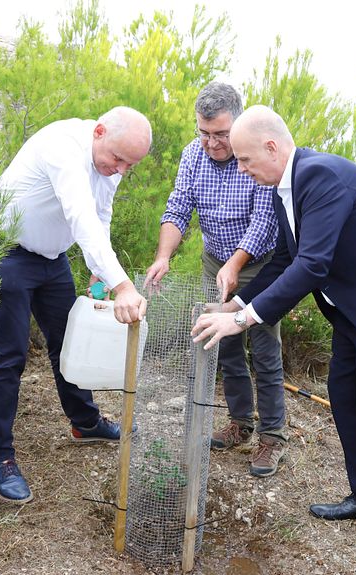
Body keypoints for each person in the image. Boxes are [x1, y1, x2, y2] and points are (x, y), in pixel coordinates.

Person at [191, 105, 356, 568]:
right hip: (352, 304)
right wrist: (235, 305)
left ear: (272, 147)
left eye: (243, 159)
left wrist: (243, 322)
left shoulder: (319, 176)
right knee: (343, 395)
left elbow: (312, 264)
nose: (239, 168)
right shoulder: (283, 186)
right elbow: (286, 257)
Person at [0, 107, 152, 504]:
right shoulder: (63, 147)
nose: (121, 170)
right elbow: (80, 216)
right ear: (98, 132)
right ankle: (0, 457)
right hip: (6, 251)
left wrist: (100, 270)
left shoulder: (109, 163)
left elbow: (101, 215)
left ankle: (85, 422)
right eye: (118, 159)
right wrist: (123, 285)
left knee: (70, 343)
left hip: (51, 258)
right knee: (8, 355)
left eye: (131, 164)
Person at [144, 82, 286, 477]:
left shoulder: (253, 155)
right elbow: (178, 207)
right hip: (215, 260)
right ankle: (241, 422)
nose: (212, 143)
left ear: (237, 125)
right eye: (204, 133)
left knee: (264, 346)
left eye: (221, 134)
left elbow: (263, 222)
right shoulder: (193, 156)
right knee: (223, 342)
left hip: (257, 263)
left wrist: (236, 266)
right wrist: (163, 257)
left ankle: (273, 437)